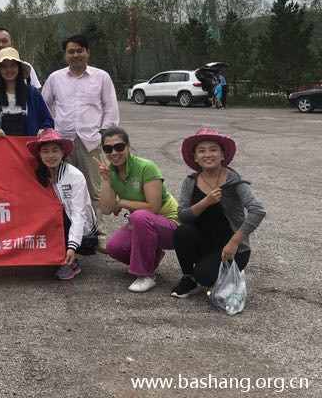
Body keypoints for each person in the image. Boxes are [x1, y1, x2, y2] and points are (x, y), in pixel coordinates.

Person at [42, 34, 118, 251]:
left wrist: (103, 134)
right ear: (65, 55)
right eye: (71, 52)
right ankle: (65, 234)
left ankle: (99, 235)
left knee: (95, 191)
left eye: (79, 51)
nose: (75, 55)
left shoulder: (101, 77)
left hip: (90, 142)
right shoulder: (55, 78)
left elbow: (110, 108)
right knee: (61, 189)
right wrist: (50, 132)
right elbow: (44, 104)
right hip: (62, 144)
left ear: (87, 52)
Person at [170, 128, 266, 298]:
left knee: (205, 277)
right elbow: (182, 216)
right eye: (201, 151)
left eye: (213, 149)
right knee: (182, 231)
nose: (208, 154)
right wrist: (205, 202)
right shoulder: (190, 181)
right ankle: (188, 278)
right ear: (195, 157)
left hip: (232, 248)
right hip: (204, 243)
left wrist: (235, 242)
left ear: (222, 155)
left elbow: (257, 211)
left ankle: (227, 271)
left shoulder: (234, 180)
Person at [95, 127, 179, 292]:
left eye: (119, 147)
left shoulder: (146, 166)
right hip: (144, 224)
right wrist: (105, 180)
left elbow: (153, 207)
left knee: (139, 216)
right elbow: (106, 209)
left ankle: (146, 274)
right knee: (114, 247)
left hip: (173, 225)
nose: (114, 152)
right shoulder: (111, 172)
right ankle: (153, 255)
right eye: (108, 149)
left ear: (128, 146)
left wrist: (122, 202)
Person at [27, 129, 98, 280]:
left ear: (62, 153)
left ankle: (70, 259)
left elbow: (79, 213)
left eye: (55, 151)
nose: (50, 156)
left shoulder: (75, 176)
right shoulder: (38, 175)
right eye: (45, 151)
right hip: (58, 221)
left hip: (78, 225)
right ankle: (55, 252)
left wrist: (72, 246)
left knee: (59, 213)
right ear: (39, 155)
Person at [0, 47, 53, 137]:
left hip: (29, 145)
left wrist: (44, 130)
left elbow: (47, 120)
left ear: (19, 68)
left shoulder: (32, 94)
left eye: (13, 65)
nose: (9, 69)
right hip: (0, 145)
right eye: (4, 66)